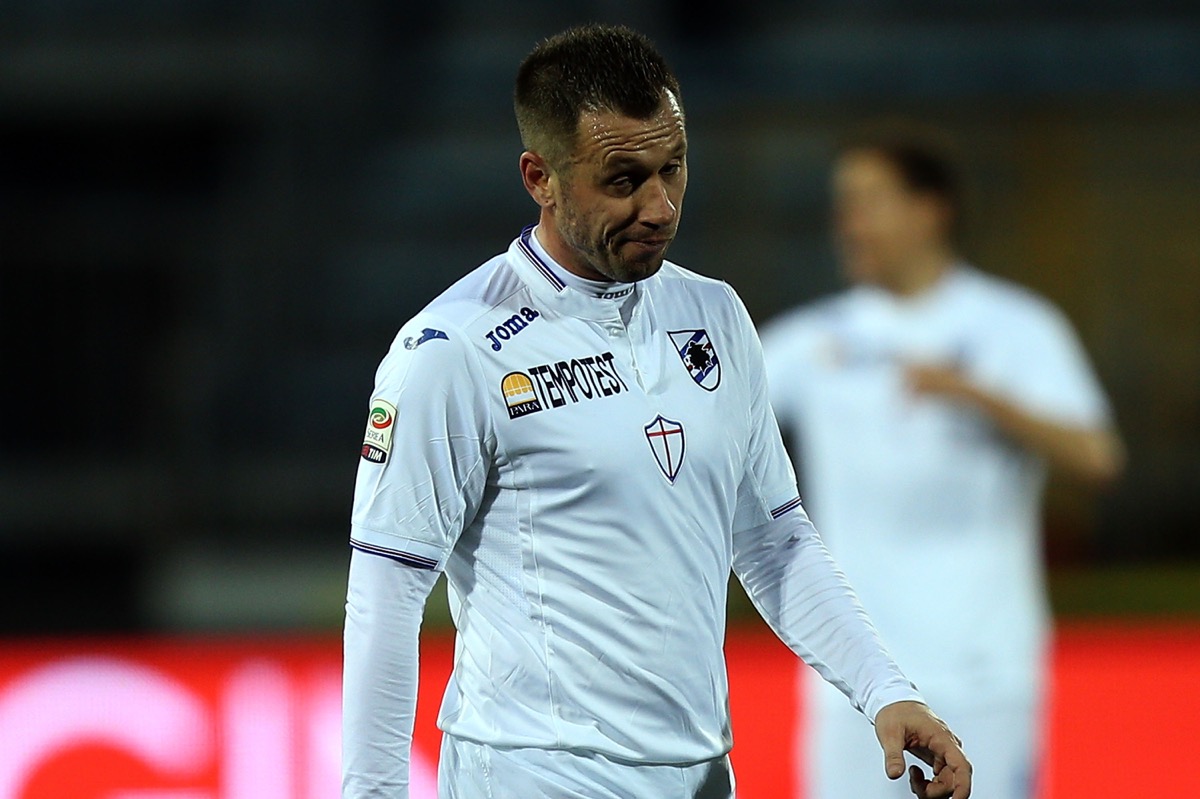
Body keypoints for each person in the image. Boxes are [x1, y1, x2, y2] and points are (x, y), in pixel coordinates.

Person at [342, 26, 971, 799]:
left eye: (673, 166)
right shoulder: (455, 349)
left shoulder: (715, 315)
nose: (660, 206)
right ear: (540, 178)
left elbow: (773, 539)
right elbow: (387, 590)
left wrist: (885, 689)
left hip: (700, 773)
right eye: (623, 180)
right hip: (535, 772)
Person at [760, 118, 1124, 799]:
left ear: (929, 210)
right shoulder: (814, 340)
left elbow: (1097, 455)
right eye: (843, 205)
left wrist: (979, 397)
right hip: (855, 679)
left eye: (867, 202)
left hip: (981, 671)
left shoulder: (1014, 327)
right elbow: (708, 419)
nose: (847, 224)